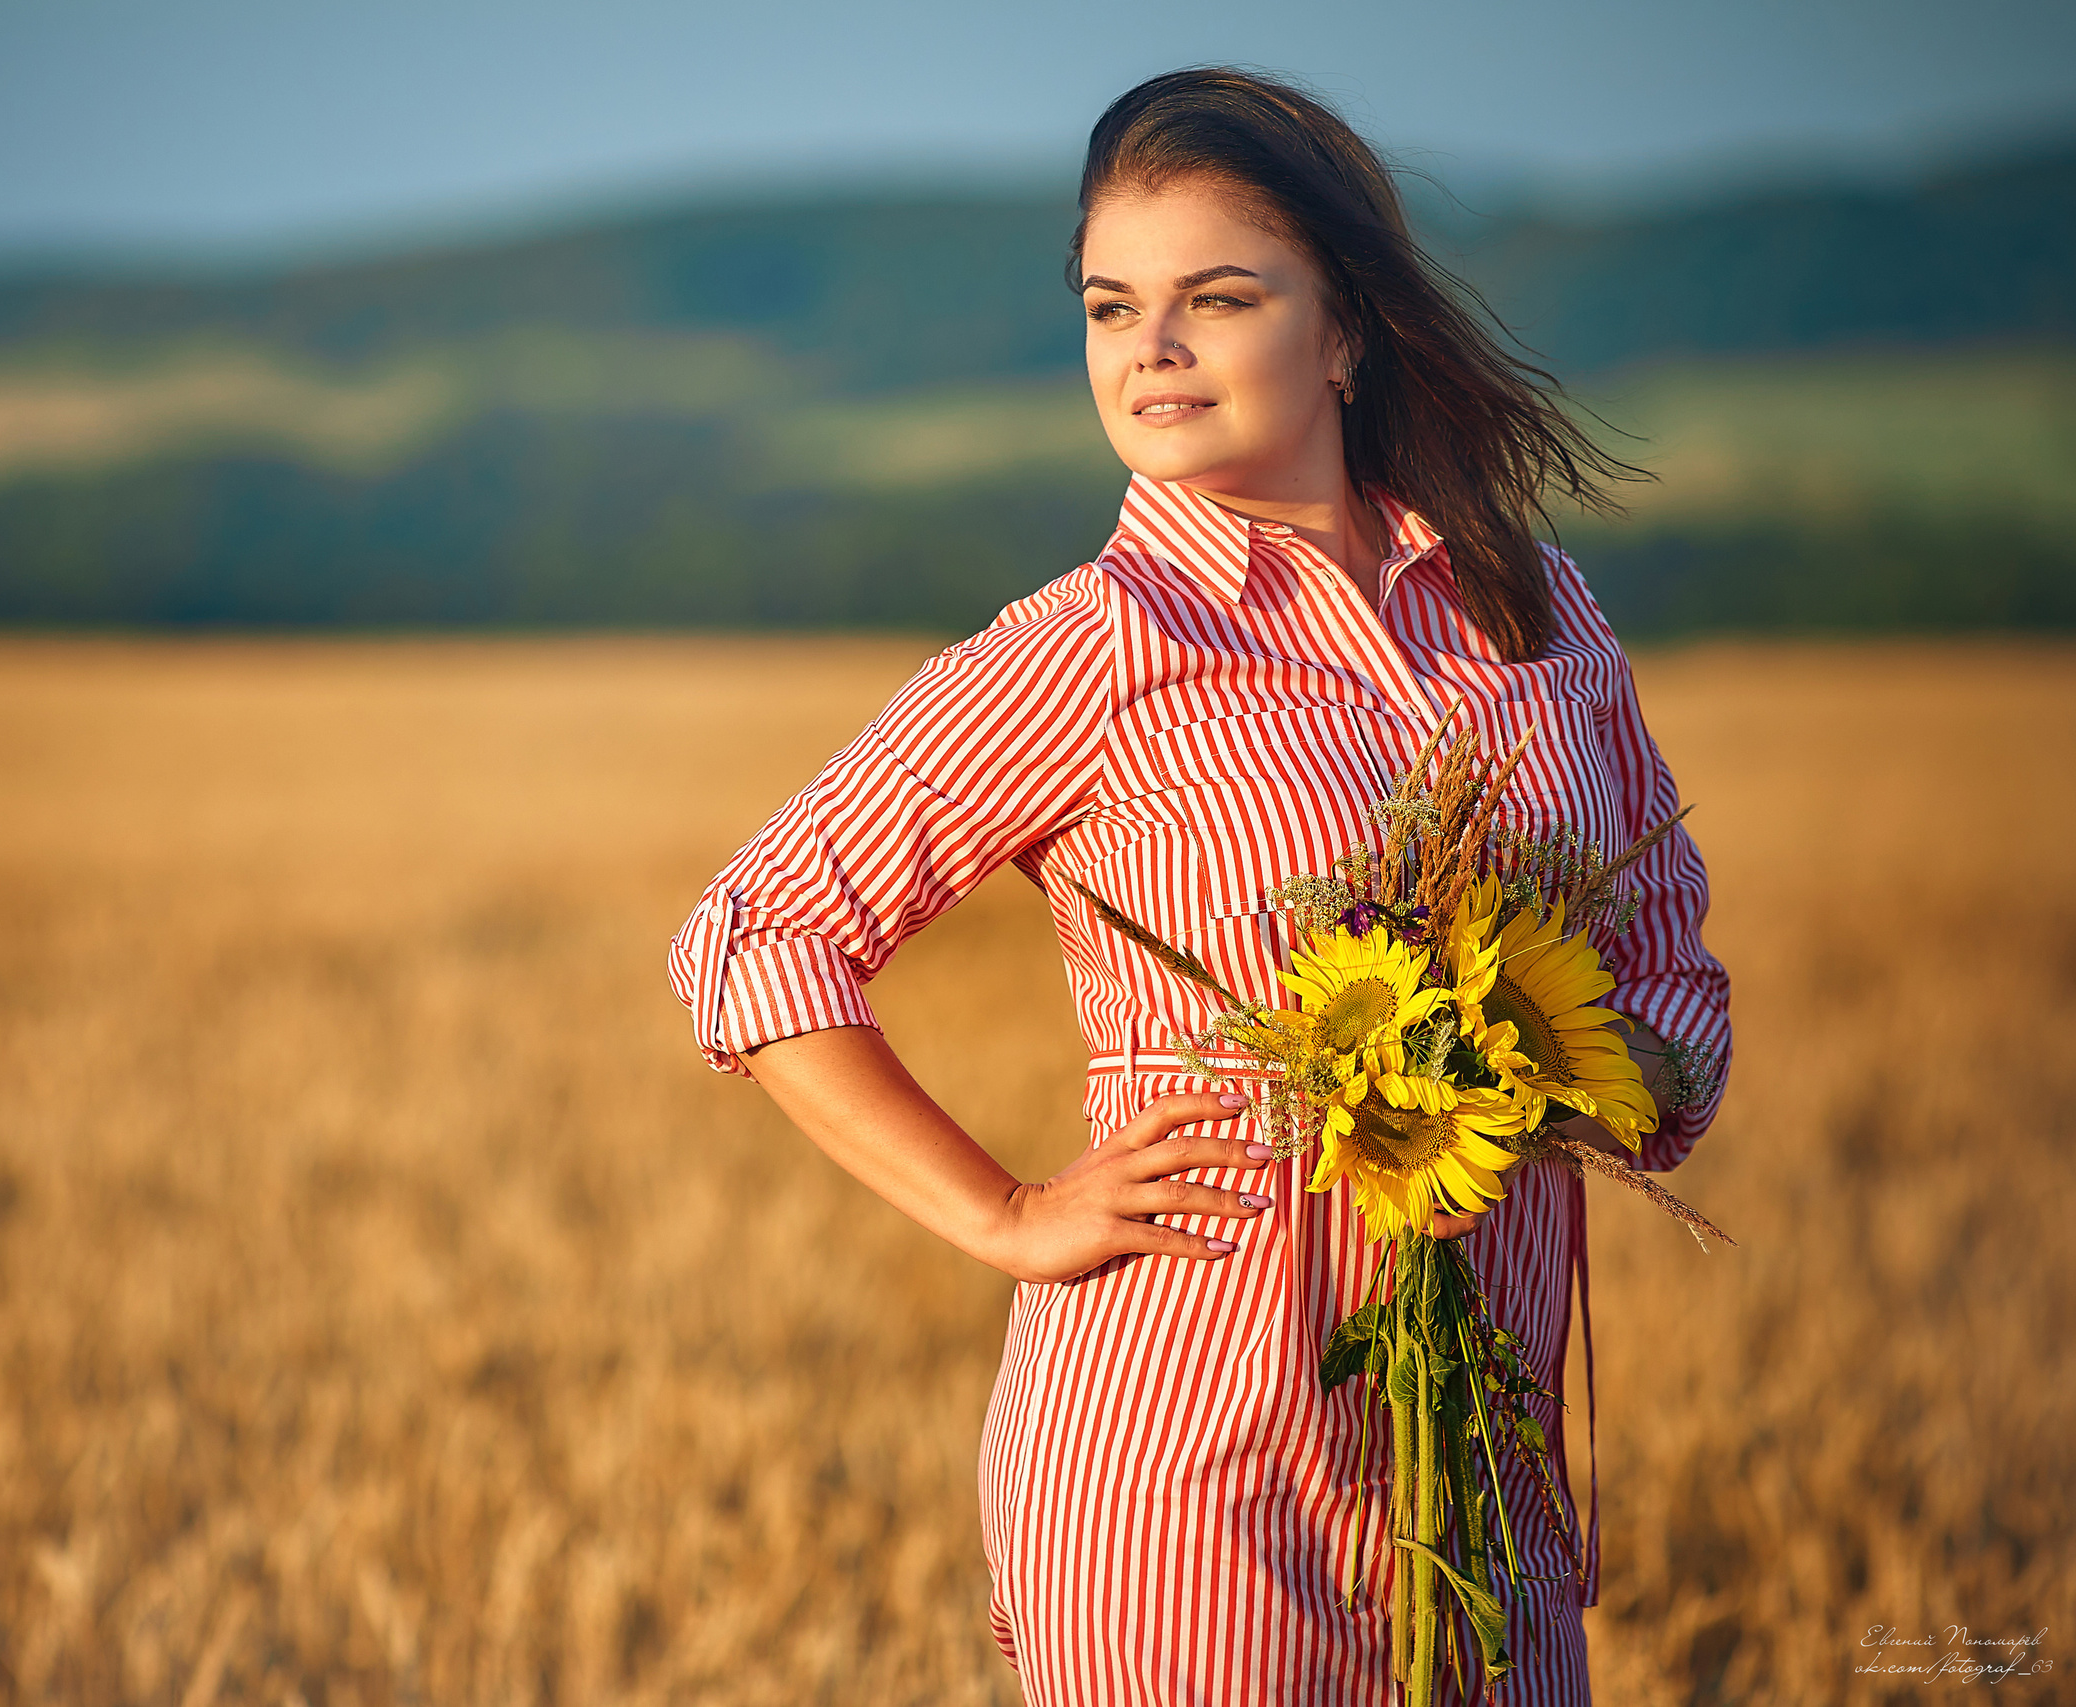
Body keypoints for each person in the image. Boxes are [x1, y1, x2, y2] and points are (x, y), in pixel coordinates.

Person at [668, 66, 1730, 1705]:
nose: (1149, 349)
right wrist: (1009, 1215)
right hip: (1182, 1470)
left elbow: (1671, 984)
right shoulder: (1093, 645)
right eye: (1112, 307)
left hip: (1484, 1474)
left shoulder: (1536, 613)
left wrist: (1543, 1067)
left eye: (1216, 299)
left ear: (1347, 327)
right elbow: (754, 938)